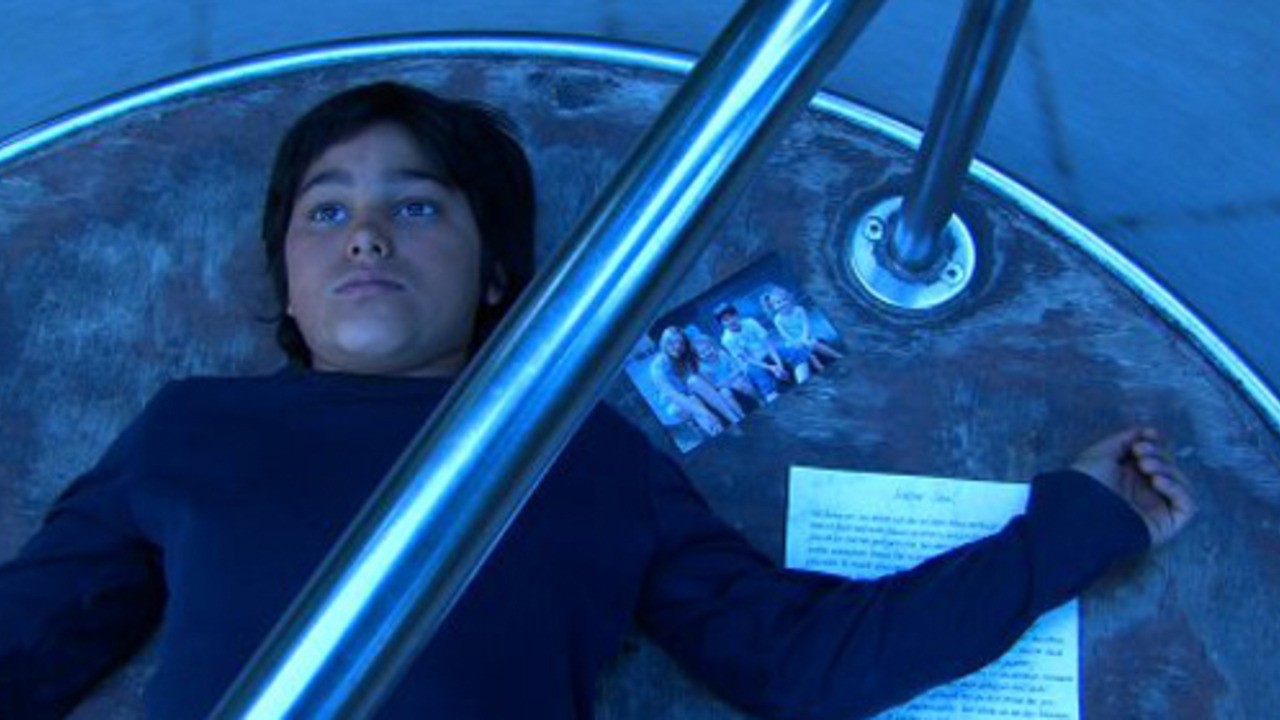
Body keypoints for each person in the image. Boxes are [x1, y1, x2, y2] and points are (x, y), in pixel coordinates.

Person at [0, 82, 1196, 720]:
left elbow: (796, 661)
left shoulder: (581, 460)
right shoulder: (195, 429)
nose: (364, 233)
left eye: (415, 206)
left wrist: (1074, 527)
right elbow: (29, 644)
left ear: (495, 277)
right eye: (326, 211)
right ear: (288, 278)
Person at [649, 325, 744, 435]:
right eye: (671, 342)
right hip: (675, 403)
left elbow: (703, 378)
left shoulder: (686, 357)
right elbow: (673, 395)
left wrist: (724, 384)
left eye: (680, 343)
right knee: (692, 402)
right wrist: (706, 414)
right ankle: (718, 431)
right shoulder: (657, 366)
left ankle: (735, 419)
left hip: (692, 393)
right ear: (664, 343)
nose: (677, 346)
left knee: (694, 381)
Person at [764, 287, 844, 374]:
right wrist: (796, 341)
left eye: (784, 300)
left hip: (807, 335)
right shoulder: (778, 319)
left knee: (812, 343)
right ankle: (817, 364)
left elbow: (806, 325)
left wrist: (804, 337)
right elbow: (784, 334)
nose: (783, 303)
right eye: (778, 302)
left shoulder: (799, 310)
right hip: (793, 340)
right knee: (799, 349)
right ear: (773, 307)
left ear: (789, 299)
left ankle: (836, 355)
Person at [689, 331, 766, 408]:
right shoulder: (703, 368)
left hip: (736, 381)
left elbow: (737, 369)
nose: (708, 353)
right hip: (723, 390)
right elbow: (714, 387)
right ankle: (739, 414)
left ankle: (759, 401)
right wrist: (730, 381)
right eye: (702, 353)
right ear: (698, 357)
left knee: (741, 381)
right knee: (726, 392)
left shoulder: (722, 355)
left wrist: (730, 379)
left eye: (709, 348)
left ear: (714, 346)